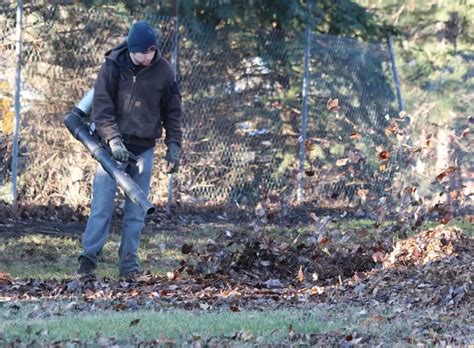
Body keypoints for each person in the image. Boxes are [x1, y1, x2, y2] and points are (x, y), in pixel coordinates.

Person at [77, 21, 182, 277]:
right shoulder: (112, 67)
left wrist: (174, 144)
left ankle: (128, 266)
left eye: (151, 51)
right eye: (141, 53)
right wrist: (113, 140)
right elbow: (101, 109)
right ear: (130, 50)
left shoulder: (164, 71)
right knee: (102, 206)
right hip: (111, 151)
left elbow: (173, 111)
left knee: (137, 211)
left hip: (144, 149)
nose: (147, 57)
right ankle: (88, 261)